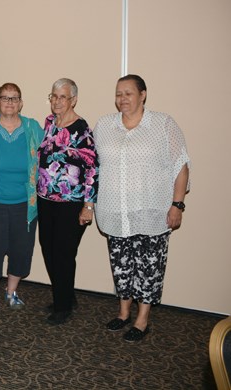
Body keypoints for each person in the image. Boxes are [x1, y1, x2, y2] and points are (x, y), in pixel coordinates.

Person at [94, 74, 190, 342]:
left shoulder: (162, 124)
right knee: (122, 266)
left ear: (143, 94)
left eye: (128, 93)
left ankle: (142, 319)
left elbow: (180, 166)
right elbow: (93, 168)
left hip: (152, 213)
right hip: (115, 213)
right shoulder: (104, 125)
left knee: (149, 268)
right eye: (118, 94)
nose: (122, 99)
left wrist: (177, 205)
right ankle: (123, 313)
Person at [0, 83, 44, 311]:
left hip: (25, 204)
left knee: (21, 249)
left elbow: (47, 159)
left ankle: (12, 291)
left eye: (14, 98)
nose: (9, 102)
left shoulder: (33, 128)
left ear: (21, 103)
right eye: (5, 98)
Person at [37, 78, 98, 325]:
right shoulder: (49, 123)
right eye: (53, 96)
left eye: (63, 97)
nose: (57, 101)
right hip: (45, 198)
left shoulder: (82, 129)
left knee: (63, 253)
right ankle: (66, 295)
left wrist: (88, 205)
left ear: (73, 99)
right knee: (48, 249)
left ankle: (63, 307)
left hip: (70, 202)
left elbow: (93, 169)